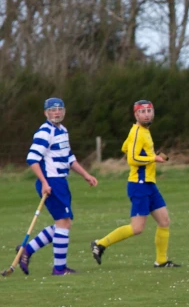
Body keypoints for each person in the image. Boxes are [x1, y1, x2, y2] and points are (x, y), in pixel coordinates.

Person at [91, 100, 180, 268]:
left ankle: (161, 261)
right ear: (136, 115)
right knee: (137, 228)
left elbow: (125, 147)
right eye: (143, 111)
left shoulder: (143, 131)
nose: (147, 114)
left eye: (149, 110)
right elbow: (132, 158)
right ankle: (100, 243)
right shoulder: (138, 132)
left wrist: (149, 154)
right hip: (138, 184)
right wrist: (153, 158)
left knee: (164, 221)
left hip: (149, 184)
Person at [18, 97, 99, 275]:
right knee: (63, 223)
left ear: (64, 111)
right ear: (46, 112)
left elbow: (69, 158)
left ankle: (27, 250)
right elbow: (32, 159)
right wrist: (45, 183)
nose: (56, 112)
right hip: (51, 182)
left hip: (61, 181)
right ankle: (59, 268)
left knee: (64, 223)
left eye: (59, 109)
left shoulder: (62, 130)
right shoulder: (44, 132)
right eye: (52, 109)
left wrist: (86, 175)